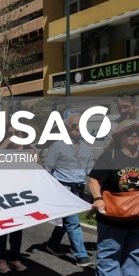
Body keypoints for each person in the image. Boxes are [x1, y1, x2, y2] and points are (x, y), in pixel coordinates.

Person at [88, 119, 139, 276]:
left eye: (138, 132)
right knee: (110, 249)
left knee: (136, 251)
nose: (134, 135)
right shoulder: (109, 157)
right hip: (113, 212)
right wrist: (97, 199)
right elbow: (94, 180)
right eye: (129, 132)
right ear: (120, 137)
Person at [106, 95, 139, 271]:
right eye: (120, 108)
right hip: (131, 177)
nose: (123, 111)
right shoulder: (115, 125)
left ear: (137, 105)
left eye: (126, 107)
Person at [43, 111, 94, 267]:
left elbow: (91, 171)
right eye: (74, 125)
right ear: (66, 127)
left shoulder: (87, 148)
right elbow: (47, 170)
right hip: (63, 189)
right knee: (73, 222)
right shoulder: (57, 146)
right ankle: (81, 255)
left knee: (67, 221)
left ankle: (52, 244)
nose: (78, 128)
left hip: (78, 190)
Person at [0, 125, 36, 274]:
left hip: (21, 196)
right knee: (2, 228)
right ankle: (0, 259)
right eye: (10, 133)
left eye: (17, 133)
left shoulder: (29, 150)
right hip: (2, 196)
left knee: (17, 228)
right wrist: (5, 144)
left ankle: (14, 258)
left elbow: (40, 168)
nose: (14, 135)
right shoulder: (1, 150)